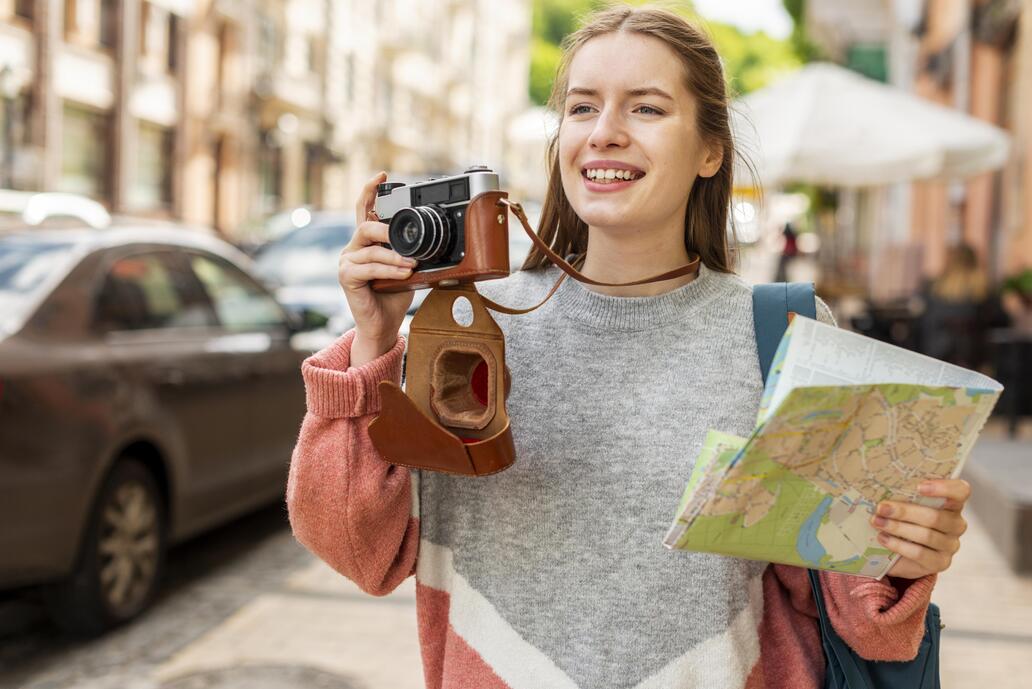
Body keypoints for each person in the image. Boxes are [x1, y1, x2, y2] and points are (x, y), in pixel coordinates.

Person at [287, 6, 972, 688]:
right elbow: (359, 552)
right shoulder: (467, 326)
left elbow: (862, 619)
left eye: (646, 109)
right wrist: (372, 340)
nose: (604, 134)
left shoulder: (788, 336)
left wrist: (904, 555)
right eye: (582, 108)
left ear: (711, 150)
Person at [918, 242, 1009, 370]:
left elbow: (923, 322)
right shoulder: (984, 290)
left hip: (937, 355)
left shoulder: (933, 288)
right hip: (973, 358)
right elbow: (1003, 321)